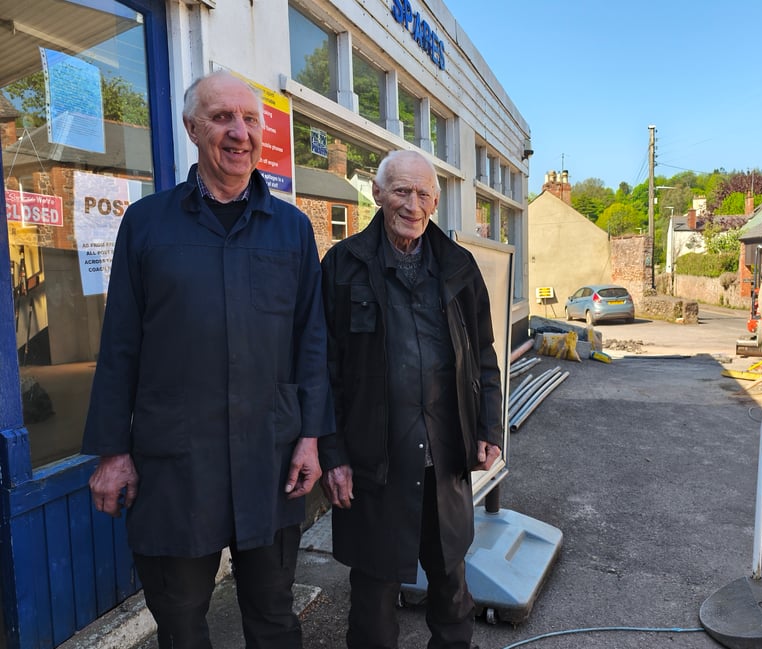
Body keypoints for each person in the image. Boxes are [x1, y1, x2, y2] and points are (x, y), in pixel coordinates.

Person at [82, 70, 334, 649]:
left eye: (250, 119)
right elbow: (121, 343)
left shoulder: (292, 230)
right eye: (222, 118)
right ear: (192, 128)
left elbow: (311, 343)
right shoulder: (147, 224)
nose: (239, 132)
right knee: (180, 622)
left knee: (273, 619)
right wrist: (114, 450)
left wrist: (311, 438)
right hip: (176, 467)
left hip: (268, 462)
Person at [319, 150, 504, 649]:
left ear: (436, 202)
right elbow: (325, 369)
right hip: (372, 463)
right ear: (377, 194)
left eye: (423, 194)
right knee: (373, 603)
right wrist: (331, 455)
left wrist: (490, 428)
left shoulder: (459, 267)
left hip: (443, 459)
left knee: (451, 590)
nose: (413, 204)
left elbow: (483, 355)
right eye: (401, 191)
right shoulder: (342, 266)